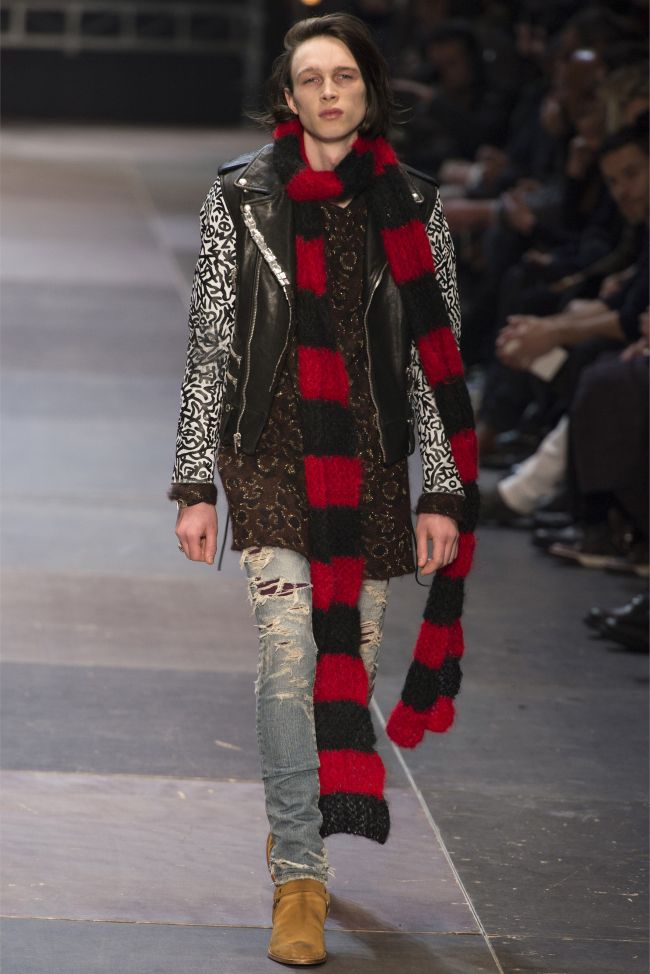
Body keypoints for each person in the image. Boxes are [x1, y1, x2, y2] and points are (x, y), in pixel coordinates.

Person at [168, 13, 478, 967]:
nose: (329, 92)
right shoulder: (241, 196)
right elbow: (212, 343)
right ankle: (299, 875)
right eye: (312, 78)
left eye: (344, 76)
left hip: (372, 468)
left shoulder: (416, 206)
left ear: (369, 89)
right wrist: (194, 482)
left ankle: (293, 821)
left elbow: (436, 364)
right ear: (288, 96)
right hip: (268, 454)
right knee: (288, 652)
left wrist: (441, 492)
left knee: (351, 661)